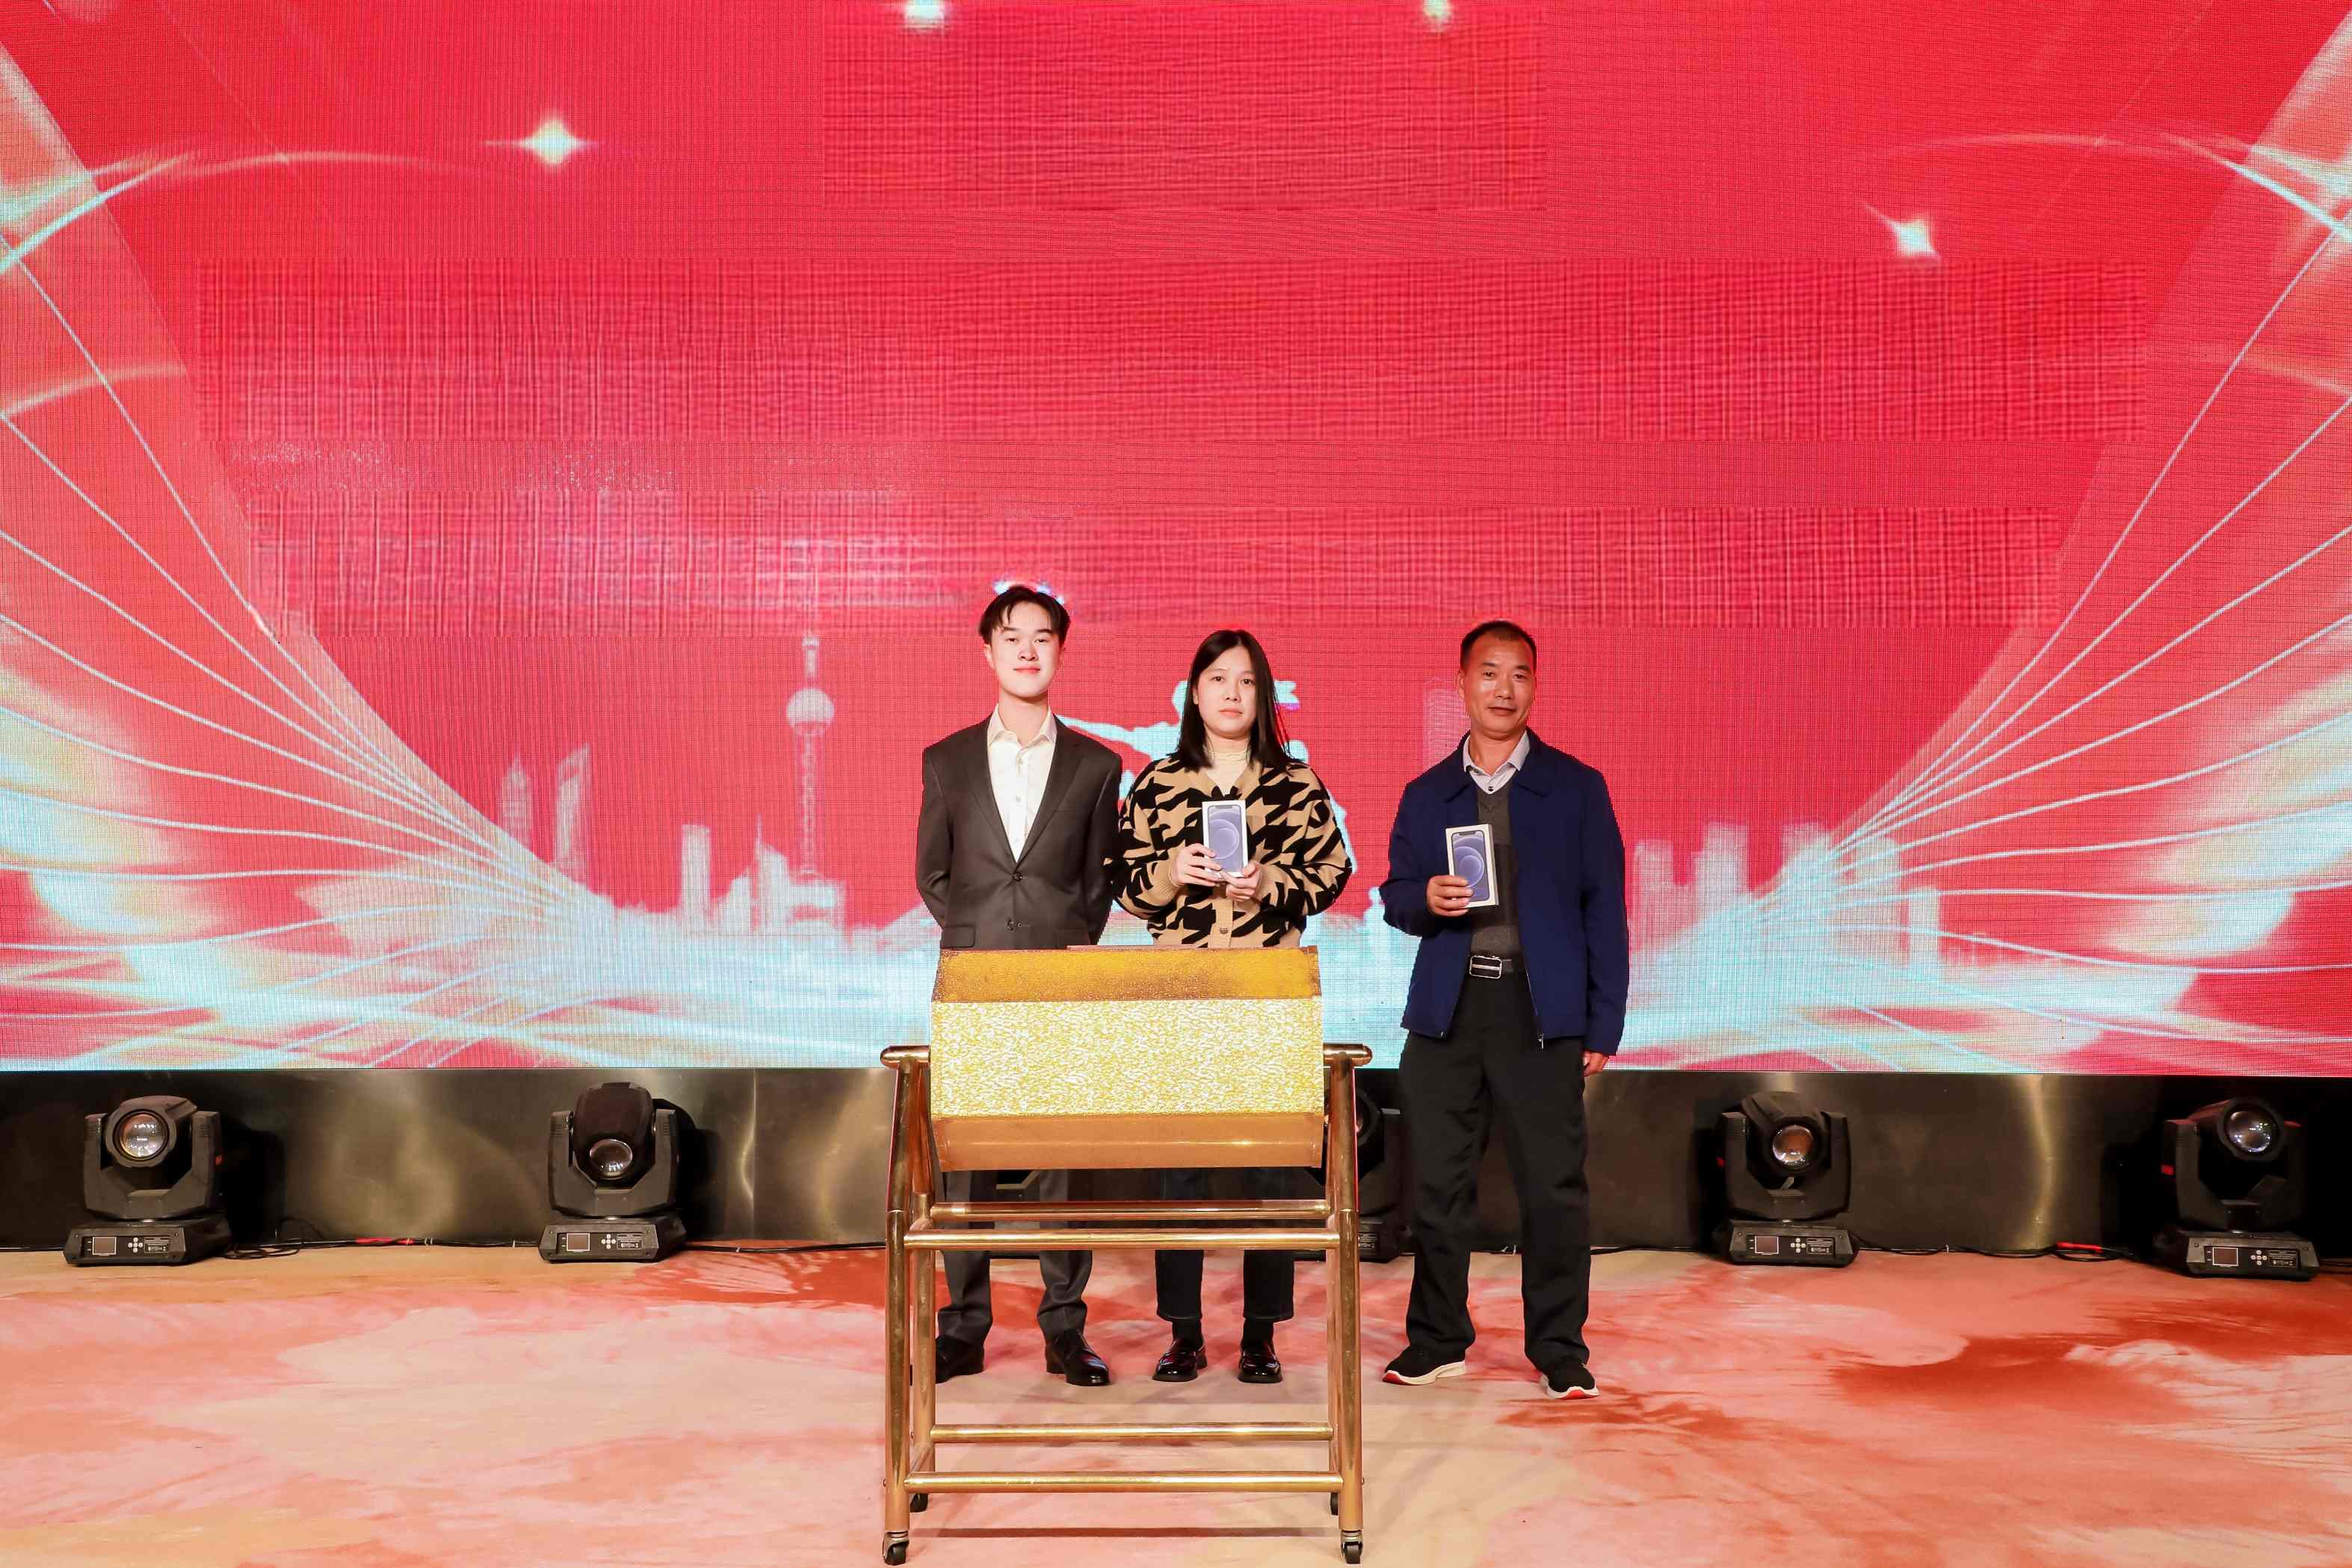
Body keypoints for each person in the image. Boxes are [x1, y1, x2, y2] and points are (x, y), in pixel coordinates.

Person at [1377, 620, 1628, 1401]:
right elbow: (1394, 897)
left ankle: (1559, 1348)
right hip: (1447, 1013)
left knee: (1553, 1190)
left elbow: (1604, 911)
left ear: (1534, 686)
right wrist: (1424, 897)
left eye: (1519, 674)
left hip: (1539, 1012)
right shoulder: (1427, 793)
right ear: (1462, 683)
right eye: (1489, 673)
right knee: (1437, 1189)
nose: (1504, 689)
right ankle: (1437, 1339)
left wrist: (1602, 1023)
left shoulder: (1576, 787)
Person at [1113, 629, 1352, 1383]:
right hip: (1181, 993)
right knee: (1179, 1165)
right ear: (1194, 692)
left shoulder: (1295, 782)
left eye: (1247, 681)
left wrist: (1271, 882)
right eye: (1218, 679)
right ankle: (1184, 1333)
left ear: (1263, 694)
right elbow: (1122, 882)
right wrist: (1170, 872)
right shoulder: (1159, 781)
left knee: (1272, 1168)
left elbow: (1333, 871)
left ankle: (1260, 1335)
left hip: (1266, 995)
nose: (1232, 693)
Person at [916, 584, 1123, 1386]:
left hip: (1062, 980)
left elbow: (1099, 883)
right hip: (972, 980)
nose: (1028, 650)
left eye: (1042, 637)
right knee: (964, 1158)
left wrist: (1057, 940)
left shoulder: (1097, 766)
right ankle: (964, 1328)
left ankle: (1065, 1328)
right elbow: (934, 874)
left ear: (1060, 651)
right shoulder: (947, 760)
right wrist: (981, 938)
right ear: (988, 652)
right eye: (1012, 637)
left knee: (1062, 1158)